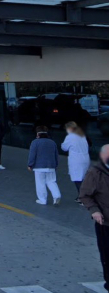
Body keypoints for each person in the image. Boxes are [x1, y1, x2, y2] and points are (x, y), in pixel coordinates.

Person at [79, 144, 109, 292]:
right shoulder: (95, 173)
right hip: (106, 222)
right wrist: (95, 211)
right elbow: (84, 195)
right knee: (107, 254)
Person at [28, 126, 61, 206]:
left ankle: (42, 200)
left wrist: (30, 164)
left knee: (40, 183)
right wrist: (56, 164)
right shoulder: (52, 142)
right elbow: (56, 155)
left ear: (38, 134)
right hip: (51, 166)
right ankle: (56, 196)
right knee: (52, 181)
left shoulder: (35, 142)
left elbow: (32, 154)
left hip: (39, 167)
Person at [61, 121, 91, 203]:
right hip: (85, 158)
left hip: (76, 160)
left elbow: (64, 147)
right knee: (83, 178)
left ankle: (82, 198)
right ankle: (82, 196)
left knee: (77, 179)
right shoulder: (82, 135)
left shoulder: (70, 137)